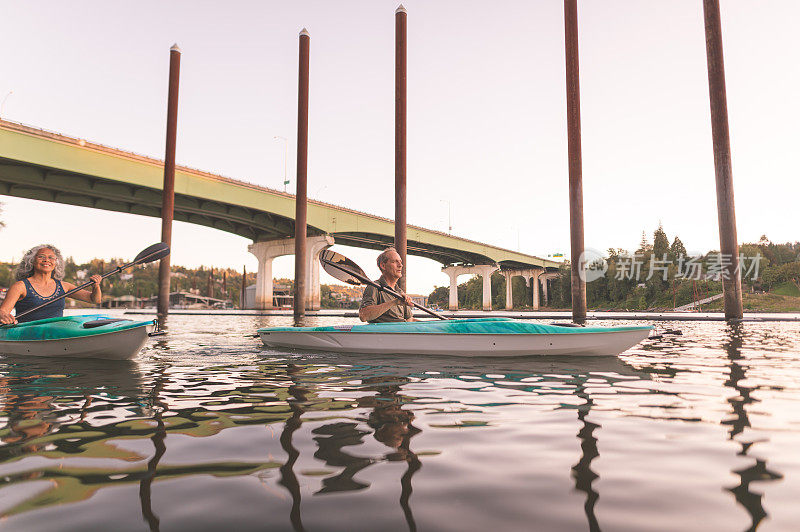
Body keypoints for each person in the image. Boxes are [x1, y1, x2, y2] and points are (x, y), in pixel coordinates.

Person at [0, 244, 102, 325]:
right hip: (28, 335)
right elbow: (3, 311)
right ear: (32, 261)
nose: (46, 260)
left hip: (56, 335)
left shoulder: (64, 286)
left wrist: (96, 287)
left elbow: (94, 299)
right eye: (41, 257)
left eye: (51, 257)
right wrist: (4, 316)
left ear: (56, 262)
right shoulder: (20, 286)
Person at [359, 247, 415, 323]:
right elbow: (363, 315)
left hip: (401, 332)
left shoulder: (399, 291)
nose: (400, 265)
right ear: (383, 266)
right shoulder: (374, 287)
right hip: (385, 333)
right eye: (394, 262)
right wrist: (394, 302)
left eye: (400, 262)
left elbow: (409, 319)